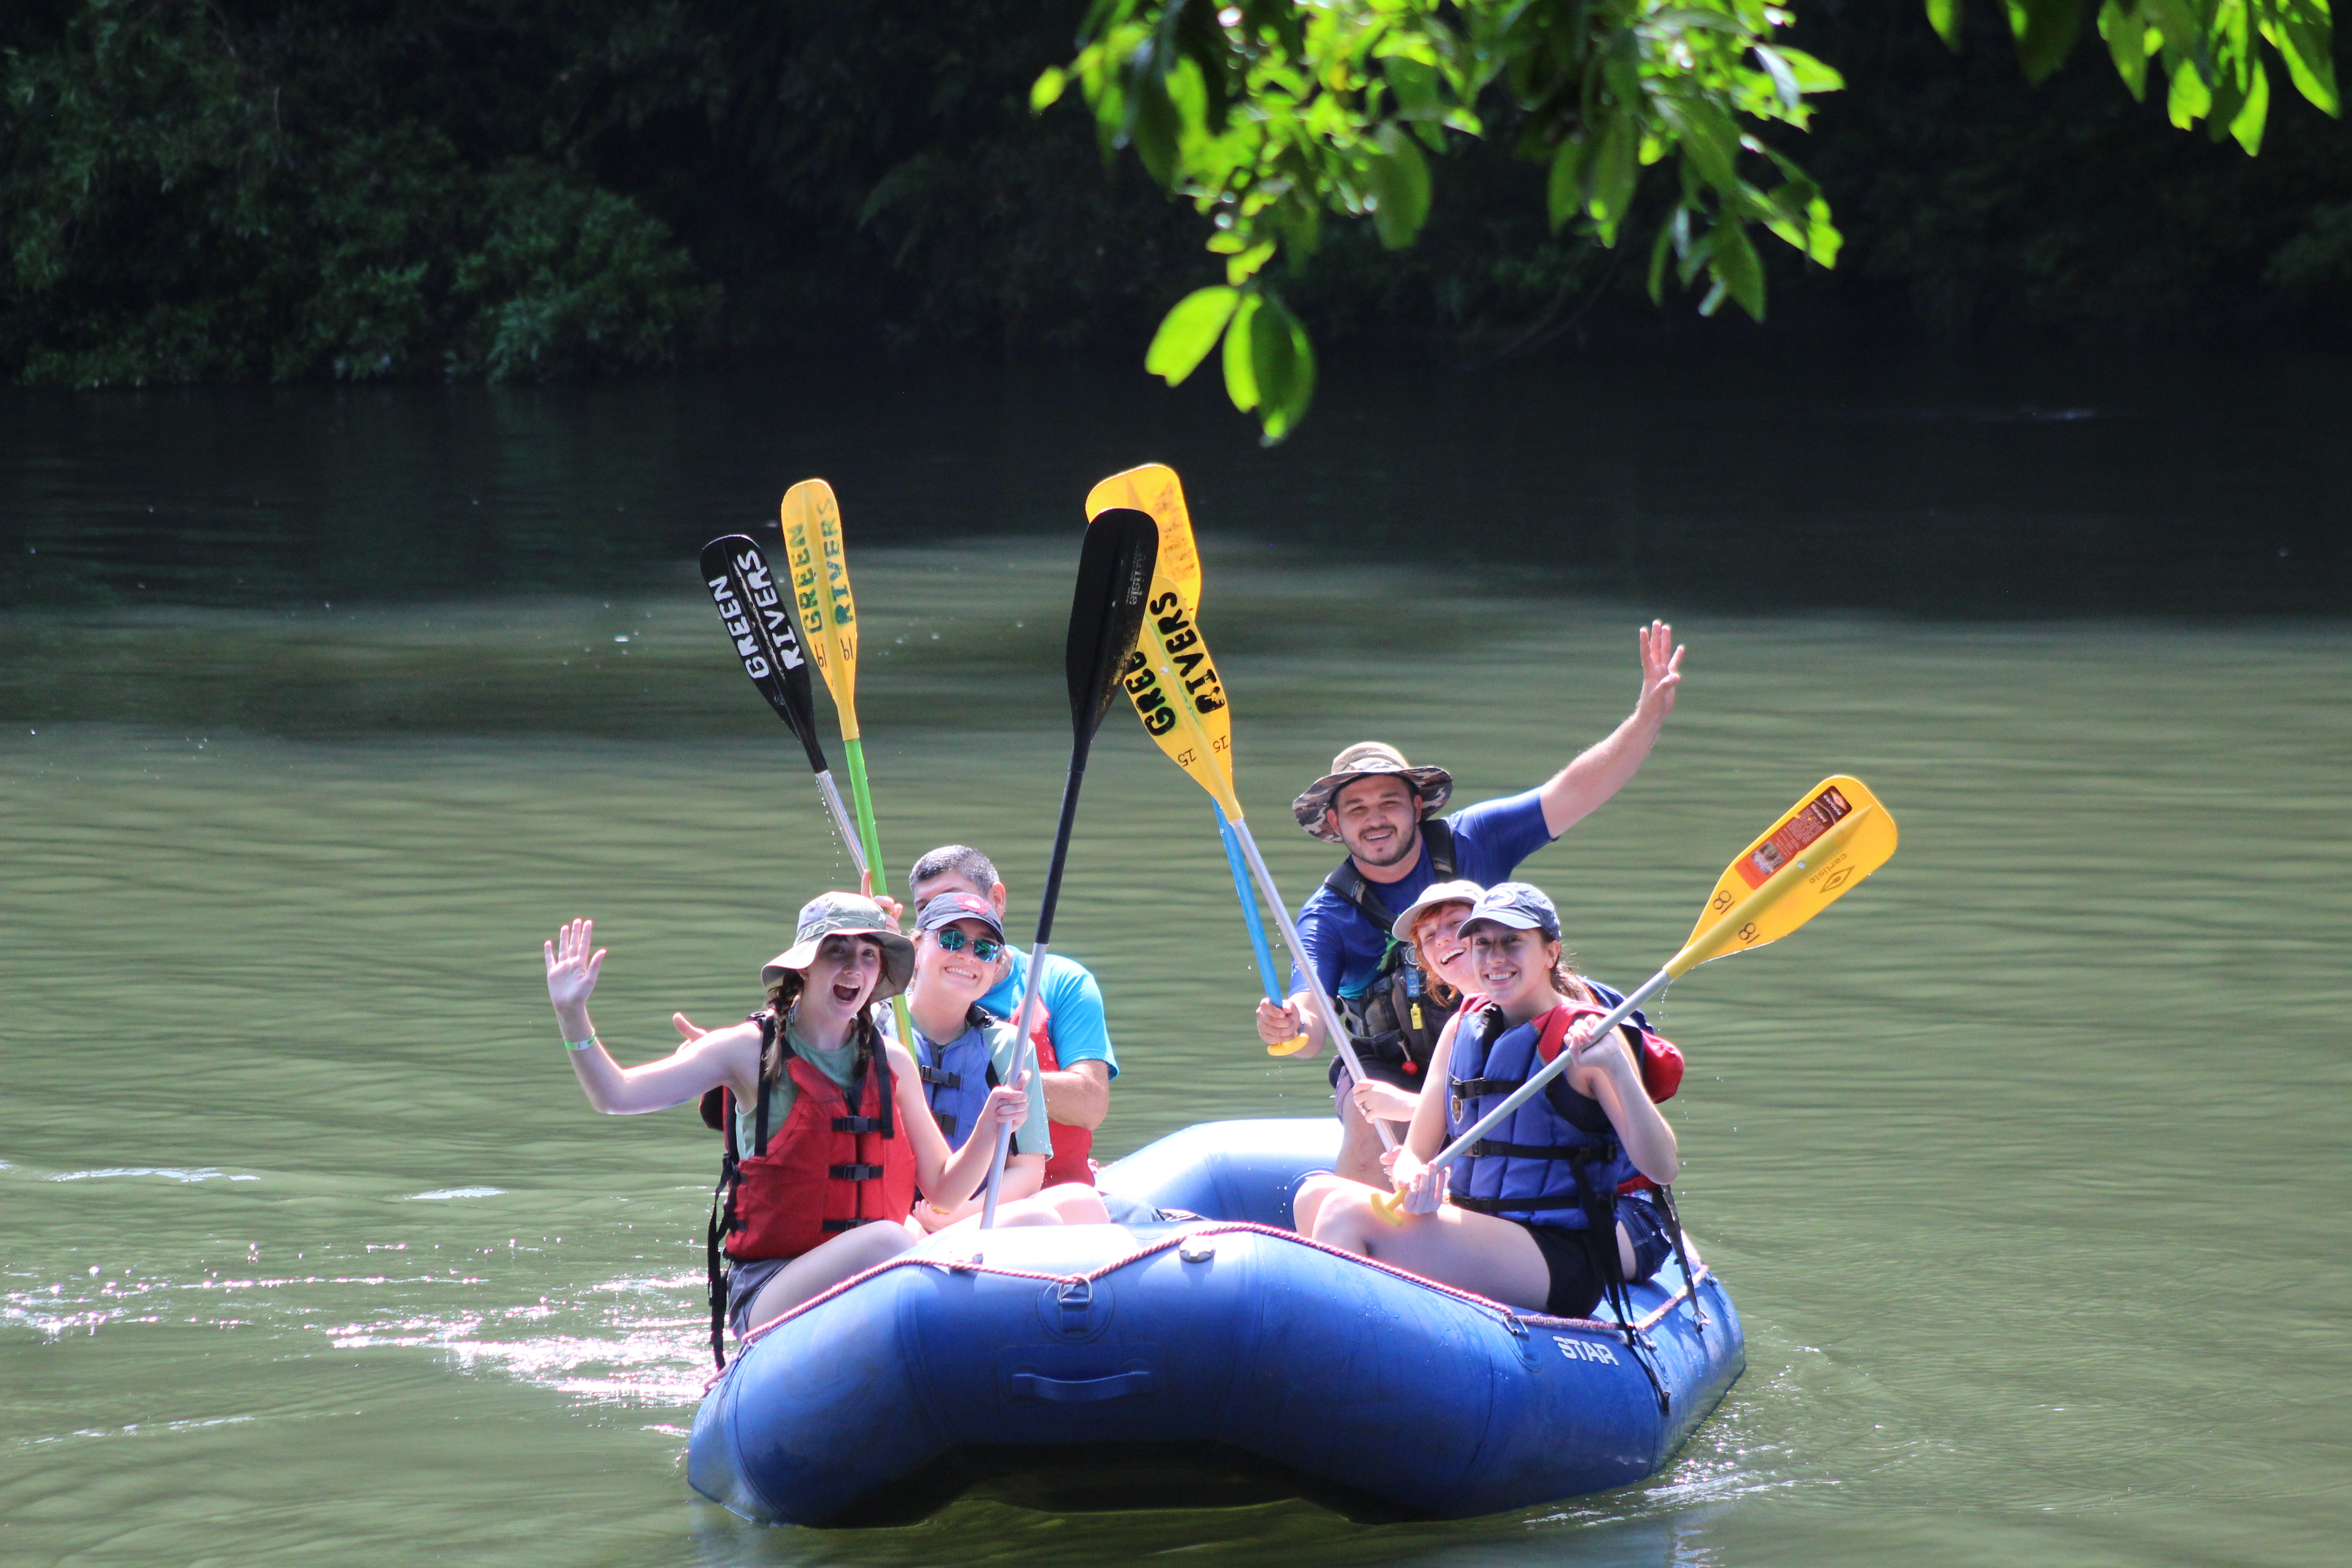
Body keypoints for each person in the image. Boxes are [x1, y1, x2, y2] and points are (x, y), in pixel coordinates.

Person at [1255, 620, 1684, 1185]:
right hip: (1399, 1069)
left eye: (1389, 802)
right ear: (1335, 824)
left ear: (1416, 806)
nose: (1376, 819)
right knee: (1368, 1108)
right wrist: (1290, 1028)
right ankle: (1362, 1249)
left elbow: (1577, 791)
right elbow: (1311, 1016)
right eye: (1357, 809)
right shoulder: (1329, 914)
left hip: (1503, 1035)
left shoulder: (1473, 839)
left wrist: (1646, 718)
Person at [540, 893, 1030, 1352]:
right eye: (837, 951)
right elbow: (616, 1095)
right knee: (892, 1237)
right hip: (770, 1291)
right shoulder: (745, 1050)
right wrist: (571, 1014)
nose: (853, 968)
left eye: (868, 955)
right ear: (806, 965)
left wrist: (990, 1126)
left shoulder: (893, 1062)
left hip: (864, 1281)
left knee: (910, 1235)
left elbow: (944, 1193)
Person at [1295, 883, 1685, 1321]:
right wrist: (1416, 1179)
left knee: (1345, 1213)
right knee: (1313, 1196)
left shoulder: (1589, 1039)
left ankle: (1353, 1356)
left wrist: (1616, 1067)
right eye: (1482, 944)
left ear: (1550, 952)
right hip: (1482, 1226)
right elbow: (1417, 1154)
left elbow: (1663, 1167)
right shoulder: (1462, 1027)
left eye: (1512, 942)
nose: (1495, 959)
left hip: (1558, 1253)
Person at [906, 845, 1117, 1187]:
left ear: (997, 900)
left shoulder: (1062, 983)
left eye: (982, 948)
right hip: (935, 1199)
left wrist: (995, 1075)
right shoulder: (895, 1005)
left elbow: (1091, 1105)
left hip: (1044, 1194)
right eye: (926, 909)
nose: (965, 955)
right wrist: (874, 956)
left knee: (1079, 1205)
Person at [896, 890, 1058, 1230]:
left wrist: (956, 1215)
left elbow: (1028, 1172)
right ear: (914, 948)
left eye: (984, 949)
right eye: (951, 938)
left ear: (996, 966)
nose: (968, 956)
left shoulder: (1010, 1049)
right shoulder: (872, 1032)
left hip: (971, 1218)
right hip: (891, 1221)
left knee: (1063, 1208)